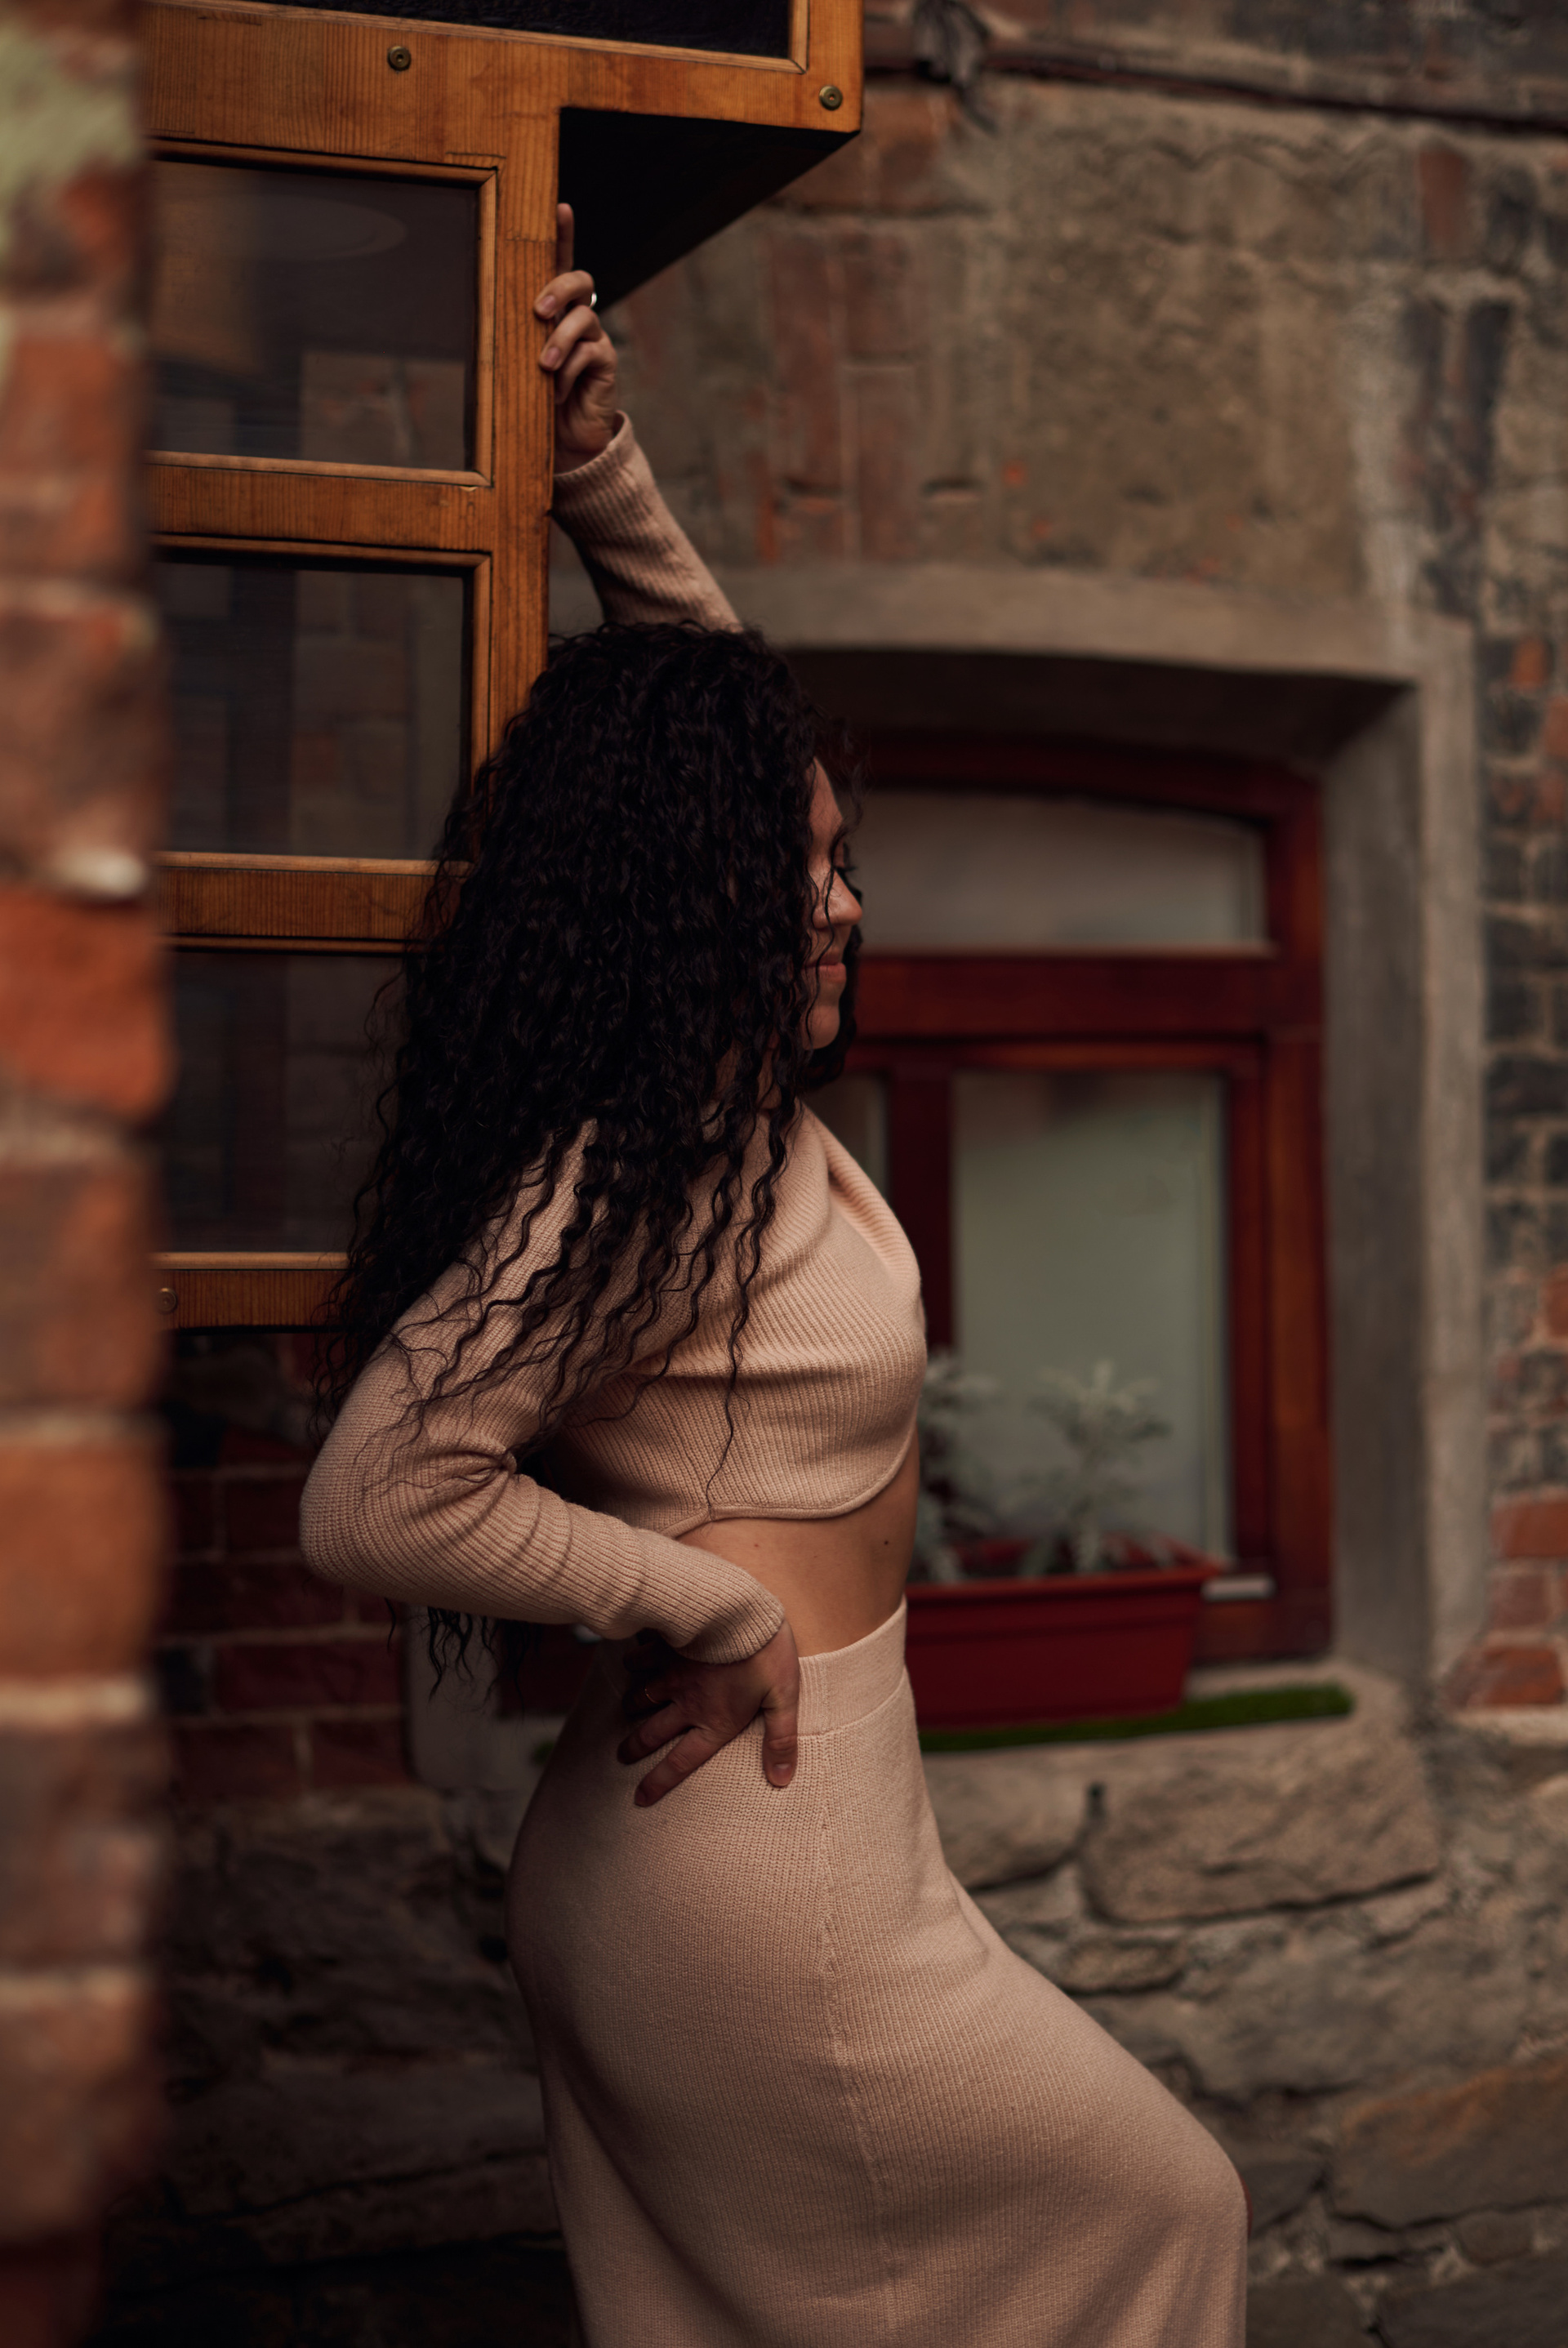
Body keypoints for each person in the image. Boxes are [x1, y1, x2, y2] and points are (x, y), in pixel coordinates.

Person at [301, 207, 1248, 2348]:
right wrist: (701, 1600)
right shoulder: (631, 1176)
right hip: (747, 1862)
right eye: (801, 871)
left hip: (796, 1830)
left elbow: (723, 756)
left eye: (835, 860)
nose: (843, 901)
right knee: (1166, 2203)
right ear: (691, 897)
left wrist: (609, 481)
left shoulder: (717, 1109)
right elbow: (372, 1493)